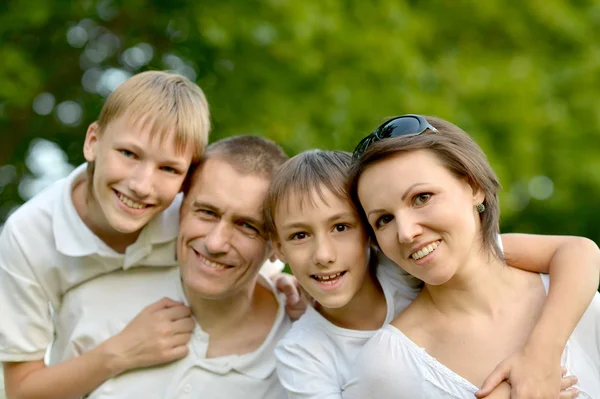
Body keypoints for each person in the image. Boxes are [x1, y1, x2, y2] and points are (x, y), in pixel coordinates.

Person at [265, 149, 598, 399]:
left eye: (341, 227)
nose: (324, 255)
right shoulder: (303, 353)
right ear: (278, 249)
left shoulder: (412, 259)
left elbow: (577, 252)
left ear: (368, 233)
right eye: (299, 236)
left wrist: (541, 355)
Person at [341, 115, 600, 398]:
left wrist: (542, 356)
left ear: (473, 186)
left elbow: (580, 250)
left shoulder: (578, 304)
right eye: (384, 219)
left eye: (422, 197)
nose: (405, 233)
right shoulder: (386, 368)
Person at [46, 135, 293, 398]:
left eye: (247, 226)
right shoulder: (95, 301)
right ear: (180, 205)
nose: (216, 242)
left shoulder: (304, 348)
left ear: (278, 244)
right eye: (207, 212)